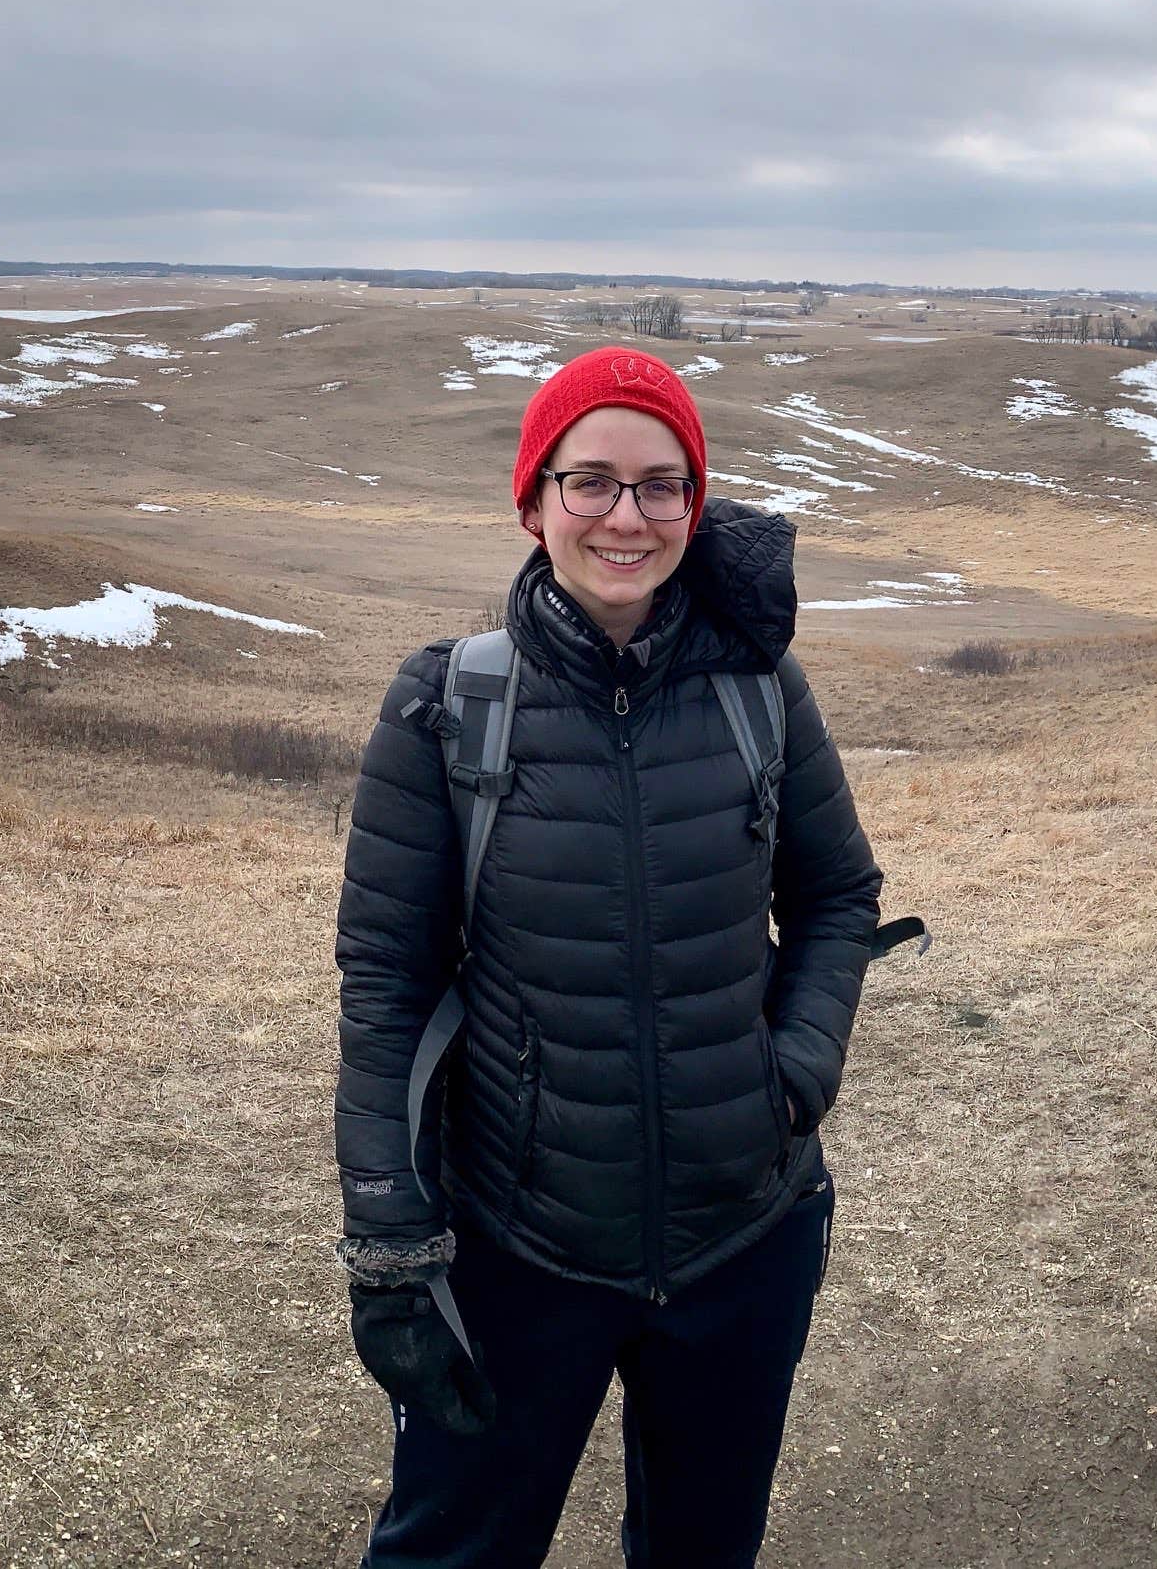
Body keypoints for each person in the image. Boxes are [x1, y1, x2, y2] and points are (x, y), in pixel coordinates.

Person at [332, 346, 908, 1567]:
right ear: (533, 499)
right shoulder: (447, 706)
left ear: (697, 507)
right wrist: (389, 1242)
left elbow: (838, 893)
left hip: (745, 1234)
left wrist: (795, 1071)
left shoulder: (761, 688)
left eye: (661, 485)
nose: (626, 516)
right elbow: (386, 983)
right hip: (518, 1245)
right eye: (589, 481)